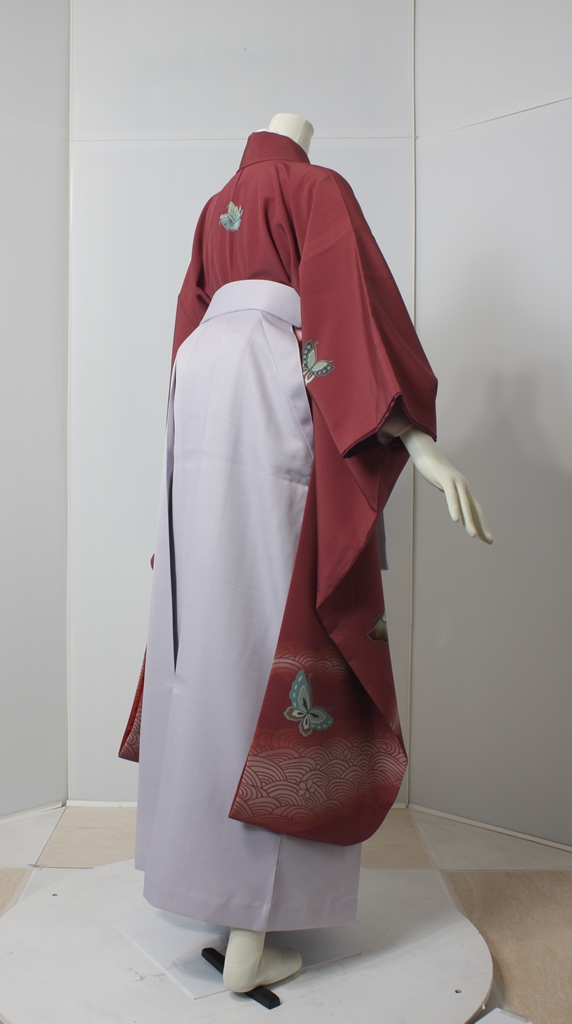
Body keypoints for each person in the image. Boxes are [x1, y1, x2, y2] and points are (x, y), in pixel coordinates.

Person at [120, 113, 492, 994]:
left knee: (206, 640)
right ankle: (253, 928)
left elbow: (186, 320)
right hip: (272, 383)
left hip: (199, 389)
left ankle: (206, 883)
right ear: (303, 139)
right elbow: (348, 313)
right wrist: (412, 436)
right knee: (273, 629)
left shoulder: (215, 204)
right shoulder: (317, 187)